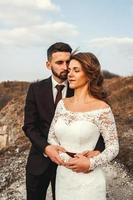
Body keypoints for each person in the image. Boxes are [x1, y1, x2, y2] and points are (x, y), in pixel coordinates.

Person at [22, 43, 105, 200]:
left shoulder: (82, 88)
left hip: (73, 166)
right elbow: (29, 126)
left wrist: (97, 152)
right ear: (48, 65)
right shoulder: (35, 89)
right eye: (60, 63)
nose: (66, 67)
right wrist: (47, 148)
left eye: (69, 62)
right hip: (40, 160)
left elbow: (100, 129)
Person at [48, 52, 119, 200]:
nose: (70, 74)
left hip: (89, 180)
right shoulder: (62, 104)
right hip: (63, 177)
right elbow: (52, 137)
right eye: (69, 70)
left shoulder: (102, 108)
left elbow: (113, 146)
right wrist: (66, 160)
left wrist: (90, 163)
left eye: (76, 70)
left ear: (89, 75)